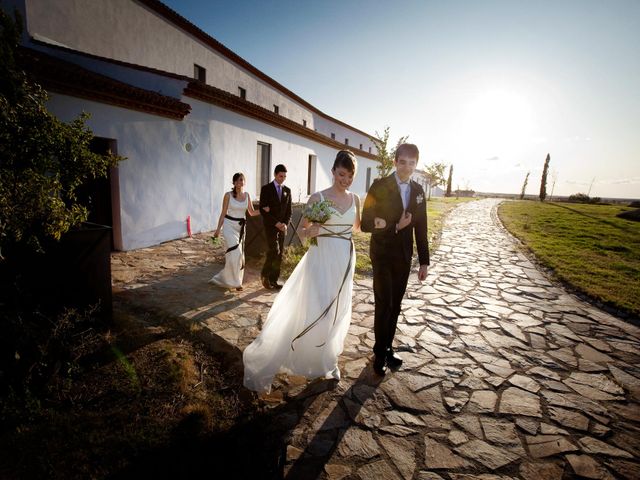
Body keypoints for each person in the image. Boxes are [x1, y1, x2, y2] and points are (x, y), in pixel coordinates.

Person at [243, 151, 361, 393]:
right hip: (322, 258)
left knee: (338, 310)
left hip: (344, 260)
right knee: (319, 308)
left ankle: (329, 360)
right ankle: (314, 359)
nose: (345, 180)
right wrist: (314, 230)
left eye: (350, 176)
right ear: (333, 172)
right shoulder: (318, 198)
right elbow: (302, 232)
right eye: (342, 174)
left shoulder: (355, 199)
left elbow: (357, 228)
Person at [361, 143, 429, 376]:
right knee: (384, 303)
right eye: (403, 162)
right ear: (394, 162)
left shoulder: (418, 191)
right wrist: (394, 226)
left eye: (412, 163)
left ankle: (388, 346)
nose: (407, 167)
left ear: (416, 164)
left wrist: (424, 261)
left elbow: (421, 228)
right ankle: (379, 352)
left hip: (403, 256)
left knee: (396, 304)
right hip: (381, 254)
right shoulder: (379, 186)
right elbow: (367, 222)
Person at [209, 173, 260, 291]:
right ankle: (236, 282)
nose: (239, 182)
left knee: (239, 255)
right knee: (235, 252)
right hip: (229, 226)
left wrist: (264, 210)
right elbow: (223, 213)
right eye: (237, 180)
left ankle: (233, 280)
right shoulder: (228, 195)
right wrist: (217, 230)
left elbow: (252, 213)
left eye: (241, 180)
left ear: (244, 182)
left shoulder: (247, 195)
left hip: (241, 228)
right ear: (233, 183)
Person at [259, 164, 292, 290]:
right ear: (275, 174)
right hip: (270, 226)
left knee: (279, 254)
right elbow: (263, 209)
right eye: (280, 176)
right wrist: (276, 223)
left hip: (282, 227)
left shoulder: (287, 191)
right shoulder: (266, 189)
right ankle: (264, 275)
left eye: (284, 176)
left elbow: (289, 211)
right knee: (274, 250)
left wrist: (285, 224)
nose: (282, 178)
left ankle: (273, 280)